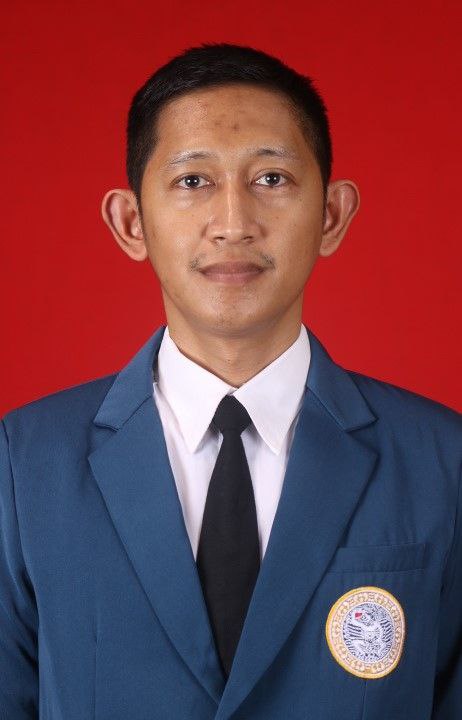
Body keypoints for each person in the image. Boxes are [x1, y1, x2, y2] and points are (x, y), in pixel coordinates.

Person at [0, 42, 460, 720]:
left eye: (272, 178)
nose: (235, 224)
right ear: (131, 222)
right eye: (193, 181)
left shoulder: (443, 460)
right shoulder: (23, 463)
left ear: (331, 215)